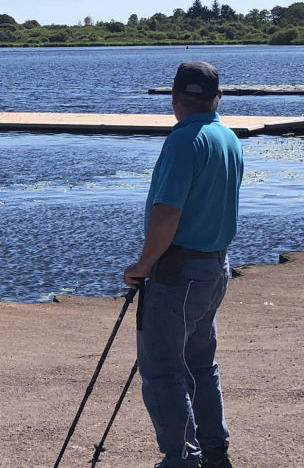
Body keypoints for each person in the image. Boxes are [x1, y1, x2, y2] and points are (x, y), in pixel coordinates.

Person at [124, 61, 243, 468]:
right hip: (215, 267)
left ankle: (180, 459)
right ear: (218, 97)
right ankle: (212, 445)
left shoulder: (183, 140)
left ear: (175, 98)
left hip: (178, 271)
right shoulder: (228, 137)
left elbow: (166, 214)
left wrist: (142, 265)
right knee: (199, 362)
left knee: (162, 371)